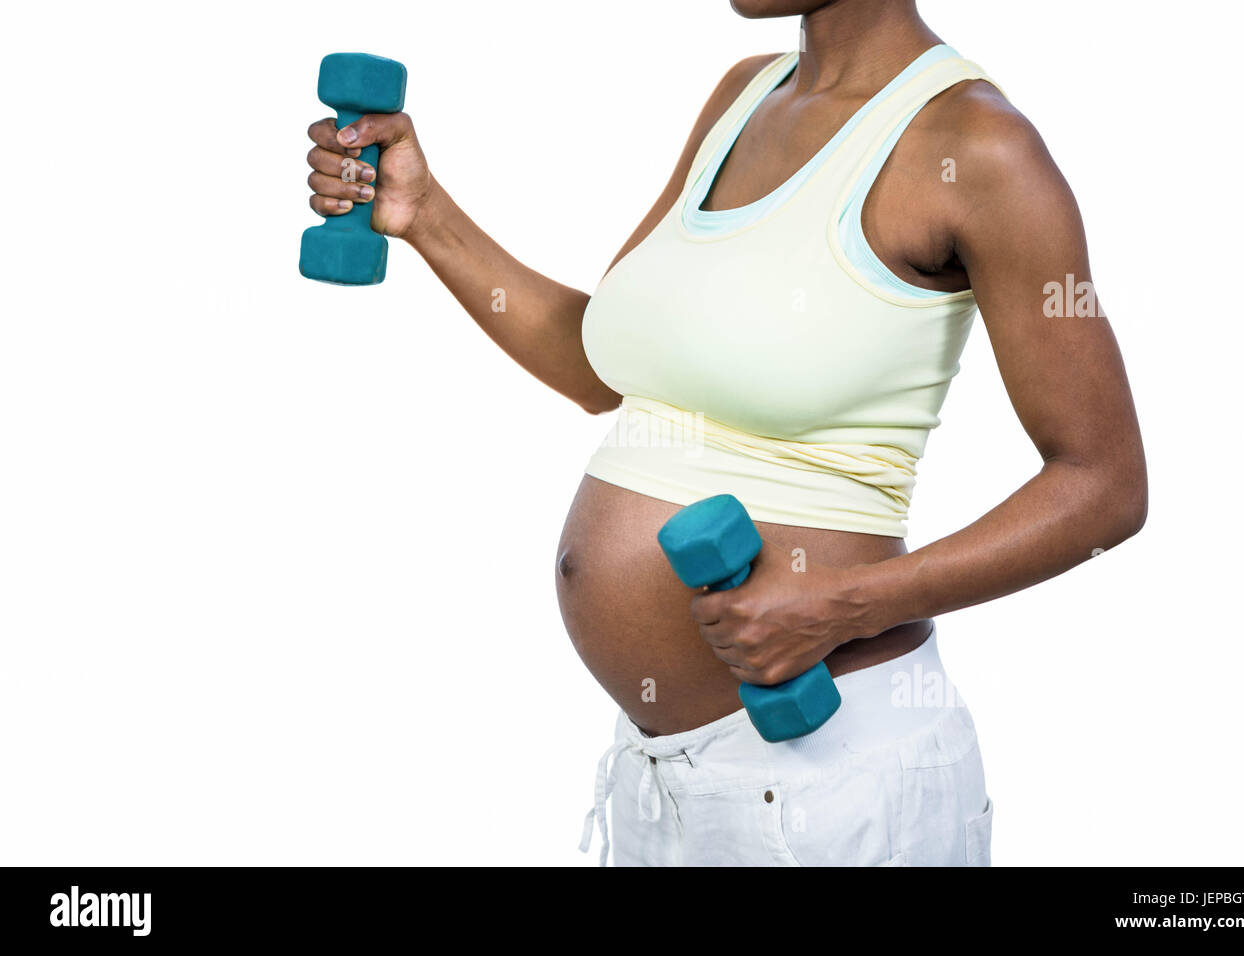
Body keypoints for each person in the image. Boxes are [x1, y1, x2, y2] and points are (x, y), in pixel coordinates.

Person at [304, 0, 1146, 866]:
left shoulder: (979, 148)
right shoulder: (746, 95)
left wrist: (843, 605)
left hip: (836, 784)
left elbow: (1102, 486)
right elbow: (602, 370)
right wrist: (423, 213)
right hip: (662, 782)